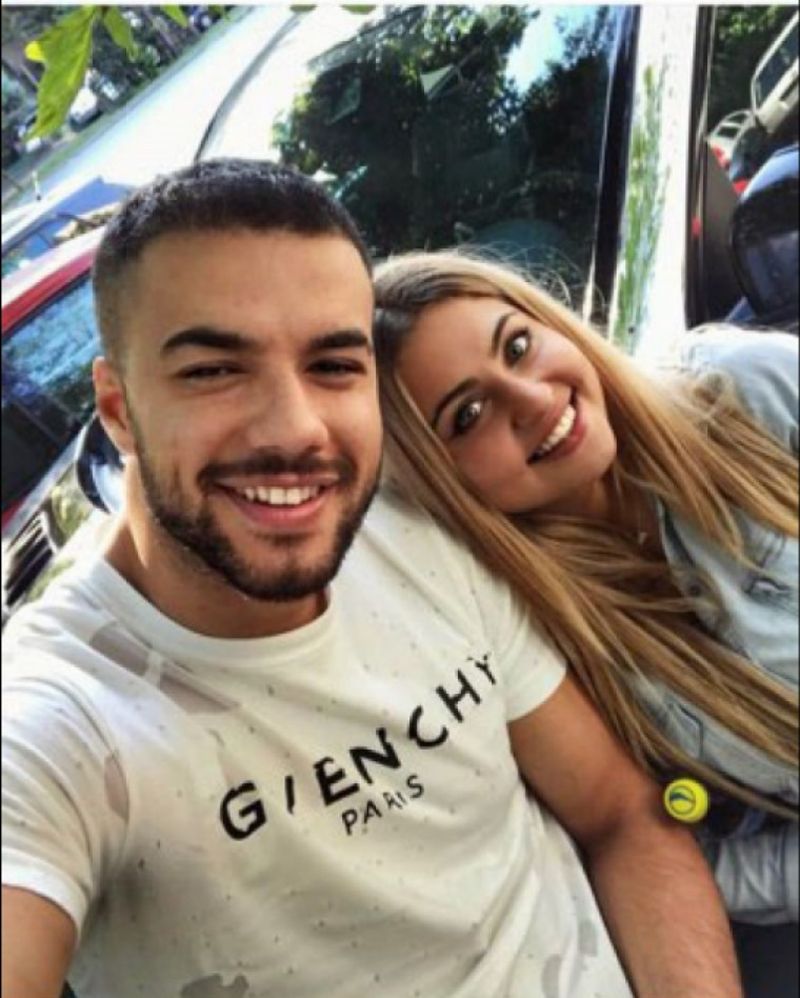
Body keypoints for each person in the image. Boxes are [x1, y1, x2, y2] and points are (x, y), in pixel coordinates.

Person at [2, 160, 743, 998]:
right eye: (213, 370)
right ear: (118, 410)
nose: (294, 429)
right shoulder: (62, 718)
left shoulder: (422, 535)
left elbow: (620, 813)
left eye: (333, 365)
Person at [371, 250, 799, 997]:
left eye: (517, 346)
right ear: (441, 484)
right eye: (467, 416)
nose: (532, 399)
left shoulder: (742, 393)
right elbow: (691, 852)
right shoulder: (546, 649)